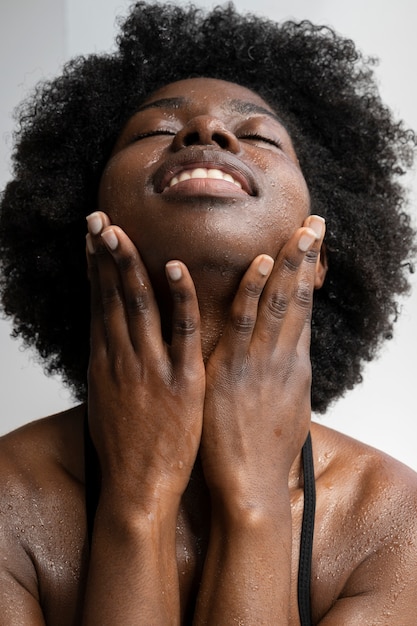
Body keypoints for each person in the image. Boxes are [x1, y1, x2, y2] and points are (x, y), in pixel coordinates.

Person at [0, 2, 416, 624]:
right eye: (152, 132)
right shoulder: (10, 499)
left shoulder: (388, 521)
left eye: (257, 136)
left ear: (321, 252)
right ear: (86, 236)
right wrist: (138, 502)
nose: (206, 134)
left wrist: (255, 503)